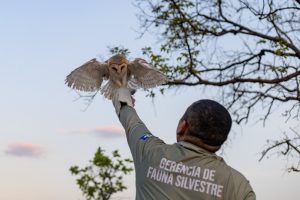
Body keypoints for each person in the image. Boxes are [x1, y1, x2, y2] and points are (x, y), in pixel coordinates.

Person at [112, 88, 256, 200]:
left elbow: (127, 112)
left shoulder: (149, 151)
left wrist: (123, 89)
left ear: (182, 126)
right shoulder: (239, 186)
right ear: (221, 140)